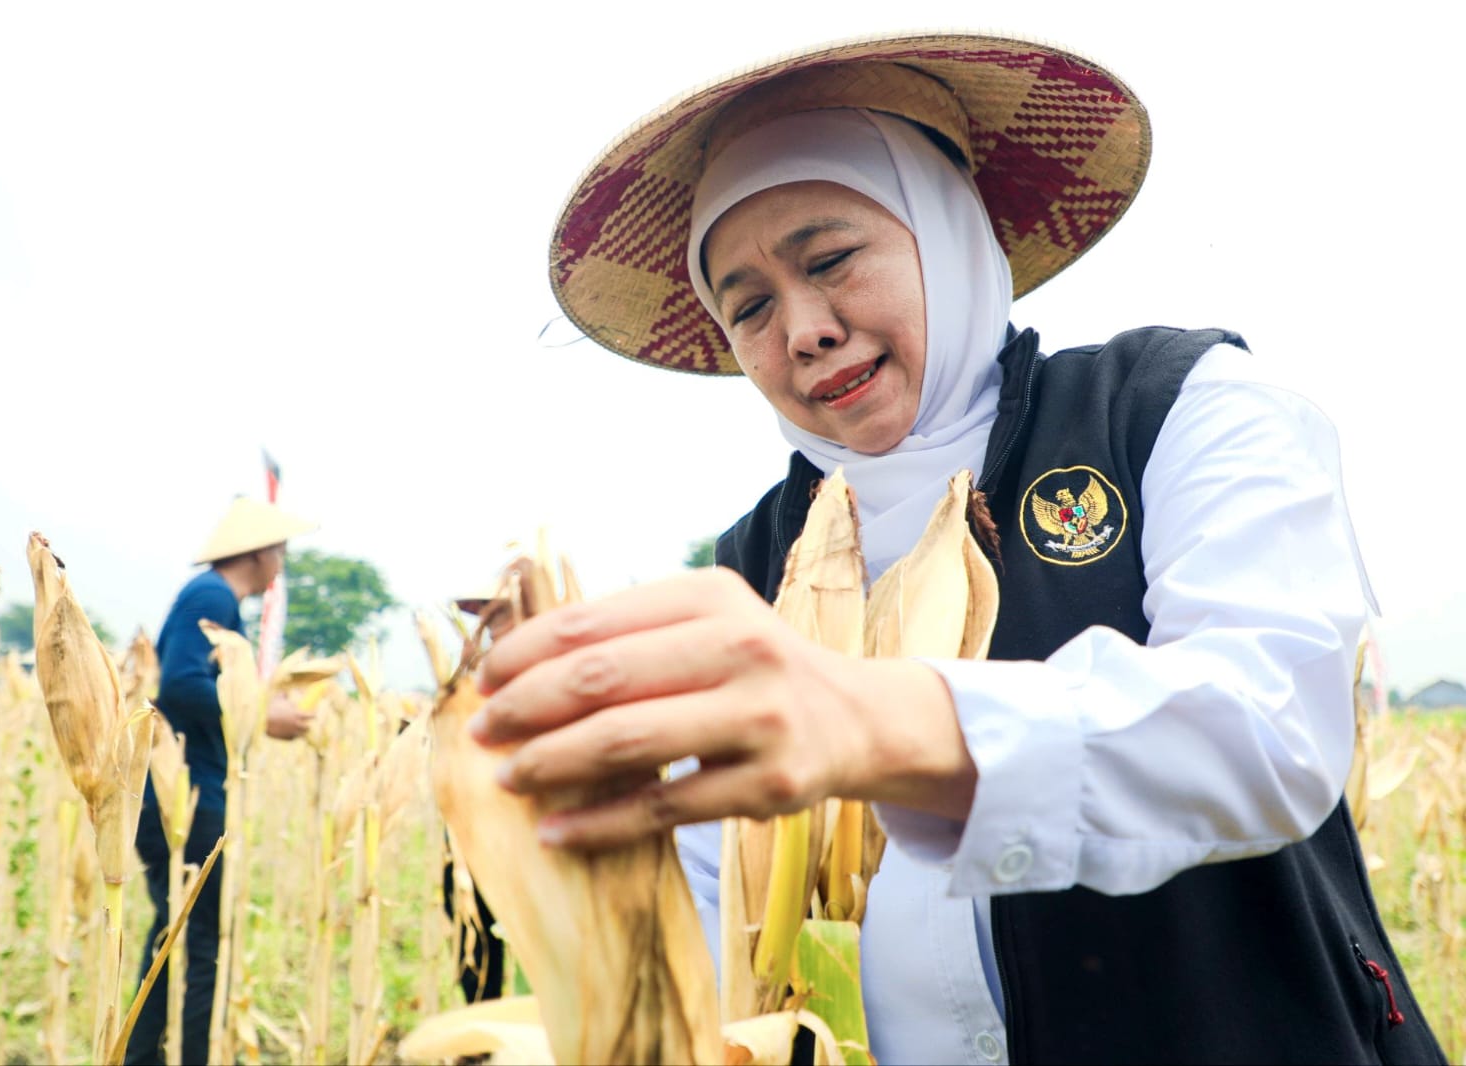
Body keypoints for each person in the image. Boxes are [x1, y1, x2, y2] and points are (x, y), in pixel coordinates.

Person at [468, 33, 1447, 1065]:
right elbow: (718, 901)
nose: (802, 328)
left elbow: (1265, 730)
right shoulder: (754, 562)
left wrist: (873, 720)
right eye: (748, 306)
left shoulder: (1169, 410)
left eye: (831, 258)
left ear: (949, 231)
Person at [125, 496, 318, 1066]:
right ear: (259, 552)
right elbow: (181, 685)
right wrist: (263, 714)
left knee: (181, 931)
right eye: (280, 550)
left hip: (186, 790)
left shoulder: (214, 601)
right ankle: (182, 1055)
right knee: (196, 937)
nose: (282, 562)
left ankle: (153, 1054)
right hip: (184, 794)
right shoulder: (212, 596)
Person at [439, 589, 513, 1005]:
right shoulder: (469, 681)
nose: (487, 624)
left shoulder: (552, 673)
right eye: (483, 617)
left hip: (524, 838)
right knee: (476, 941)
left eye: (498, 613)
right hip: (470, 837)